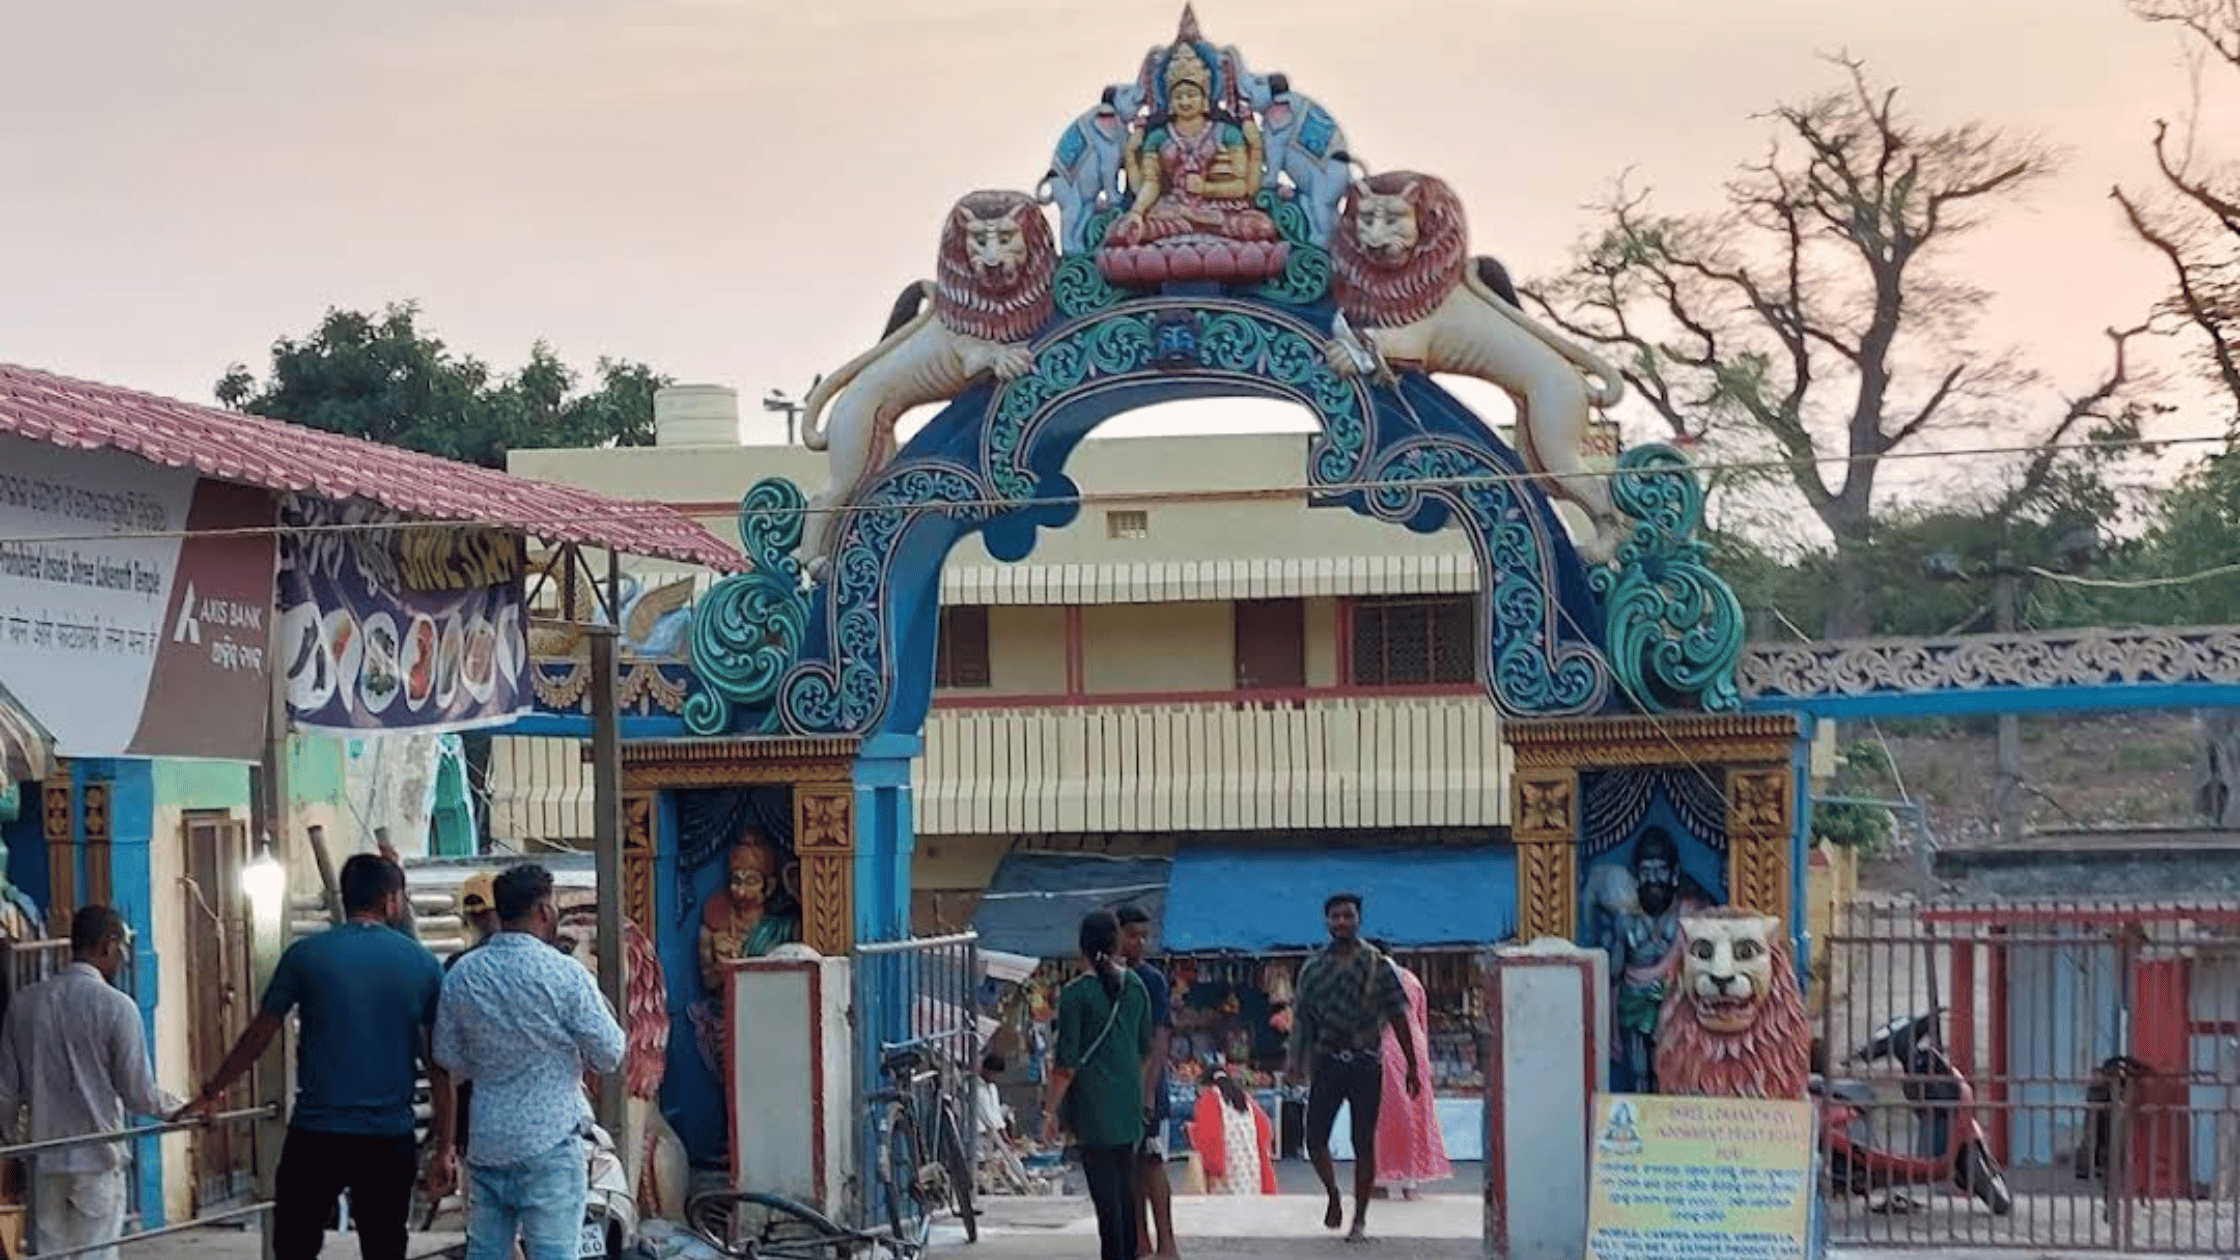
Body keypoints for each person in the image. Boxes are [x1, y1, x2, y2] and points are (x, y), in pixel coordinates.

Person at [180, 854, 453, 1260]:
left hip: (317, 1132)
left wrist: (211, 1091)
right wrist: (445, 1147)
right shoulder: (423, 966)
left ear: (346, 897)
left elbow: (259, 1034)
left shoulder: (306, 956)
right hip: (386, 1136)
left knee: (294, 1245)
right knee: (386, 1247)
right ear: (392, 901)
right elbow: (439, 1066)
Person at [435, 863, 626, 1260]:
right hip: (550, 1144)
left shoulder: (463, 975)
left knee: (486, 1253)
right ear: (543, 910)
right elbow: (610, 1054)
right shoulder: (565, 975)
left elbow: (448, 1057)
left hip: (487, 1141)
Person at [0, 906, 180, 1260]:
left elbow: (5, 1093)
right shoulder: (117, 1008)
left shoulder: (24, 1005)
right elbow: (139, 1094)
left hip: (44, 1162)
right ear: (107, 944)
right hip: (96, 1163)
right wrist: (182, 1108)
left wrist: (11, 1154)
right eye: (123, 947)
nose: (124, 958)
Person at [1287, 892, 1418, 1243]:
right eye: (1335, 916)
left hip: (1365, 1062)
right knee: (1313, 1138)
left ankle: (1359, 1219)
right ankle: (1332, 1194)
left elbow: (1397, 1016)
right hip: (1326, 1061)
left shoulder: (1376, 964)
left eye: (1348, 916)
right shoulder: (1312, 969)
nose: (1341, 922)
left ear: (1359, 919)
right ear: (1326, 921)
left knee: (1363, 1142)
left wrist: (1413, 1065)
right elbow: (1301, 1020)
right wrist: (1294, 1062)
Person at [1042, 910, 1151, 1260]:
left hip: (1093, 1108)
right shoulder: (1136, 986)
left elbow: (1065, 1067)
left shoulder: (1076, 994)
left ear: (1082, 946)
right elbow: (1143, 1051)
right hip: (1128, 1107)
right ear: (1116, 942)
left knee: (1107, 1202)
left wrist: (1049, 1112)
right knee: (1125, 1195)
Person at [1115, 905, 1176, 1259]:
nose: (1138, 942)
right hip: (1118, 1086)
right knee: (1129, 1169)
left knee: (1153, 1162)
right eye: (1132, 935)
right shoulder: (1109, 977)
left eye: (1143, 936)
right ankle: (1140, 1240)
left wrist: (1149, 1092)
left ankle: (1167, 1241)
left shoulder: (1152, 980)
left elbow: (1160, 1038)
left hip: (1149, 1083)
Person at [1370, 947, 1450, 1199]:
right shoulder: (1412, 980)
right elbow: (1420, 1020)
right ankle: (1410, 1184)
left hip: (1388, 1047)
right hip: (1415, 1047)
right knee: (1416, 1111)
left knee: (1384, 1115)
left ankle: (1382, 1179)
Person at [1186, 1067, 1276, 1196]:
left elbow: (1209, 1137)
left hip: (1225, 1173)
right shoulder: (1244, 1099)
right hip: (1252, 1168)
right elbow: (1265, 1127)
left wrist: (1213, 1169)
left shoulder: (1209, 1099)